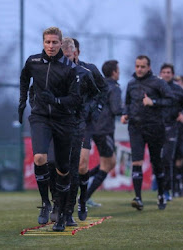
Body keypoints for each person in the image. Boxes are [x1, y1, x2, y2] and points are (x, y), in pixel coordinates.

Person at [18, 27, 81, 232]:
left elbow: (75, 99)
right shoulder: (33, 62)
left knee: (63, 169)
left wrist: (55, 100)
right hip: (40, 117)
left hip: (63, 121)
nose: (51, 46)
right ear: (43, 42)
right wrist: (22, 101)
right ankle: (45, 203)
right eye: (47, 42)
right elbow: (24, 78)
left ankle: (62, 213)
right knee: (39, 158)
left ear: (60, 43)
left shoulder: (69, 68)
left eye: (54, 42)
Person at [48, 37, 100, 226]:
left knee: (73, 168)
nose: (66, 60)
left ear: (75, 53)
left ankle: (67, 213)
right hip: (55, 124)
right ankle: (56, 203)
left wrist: (88, 112)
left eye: (69, 56)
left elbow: (98, 94)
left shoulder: (86, 72)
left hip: (77, 126)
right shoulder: (49, 71)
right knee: (52, 162)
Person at [121, 55, 174, 210]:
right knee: (136, 161)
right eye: (137, 66)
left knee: (157, 162)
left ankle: (161, 194)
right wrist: (125, 114)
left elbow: (171, 100)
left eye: (143, 66)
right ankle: (138, 198)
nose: (139, 69)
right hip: (136, 128)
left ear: (149, 67)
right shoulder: (131, 84)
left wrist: (154, 102)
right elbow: (128, 104)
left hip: (155, 127)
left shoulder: (158, 82)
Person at [72, 38, 109, 213]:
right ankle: (62, 200)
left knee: (81, 164)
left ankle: (83, 199)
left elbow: (103, 90)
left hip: (85, 123)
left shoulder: (90, 70)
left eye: (71, 51)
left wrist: (95, 109)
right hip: (64, 122)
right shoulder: (56, 71)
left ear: (77, 52)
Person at [82, 60, 125, 205]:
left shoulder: (99, 84)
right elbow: (116, 109)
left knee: (108, 163)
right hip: (104, 129)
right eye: (118, 70)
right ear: (114, 72)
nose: (119, 73)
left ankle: (80, 186)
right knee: (108, 164)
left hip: (96, 127)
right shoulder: (115, 87)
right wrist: (130, 110)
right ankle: (84, 196)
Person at [159, 64, 183, 201]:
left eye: (169, 72)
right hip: (155, 128)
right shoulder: (155, 87)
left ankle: (167, 190)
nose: (166, 74)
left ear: (172, 74)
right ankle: (160, 189)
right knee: (158, 160)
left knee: (167, 159)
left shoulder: (178, 90)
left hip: (171, 127)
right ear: (160, 73)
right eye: (164, 72)